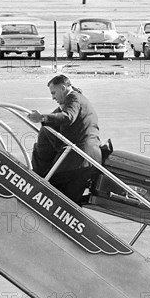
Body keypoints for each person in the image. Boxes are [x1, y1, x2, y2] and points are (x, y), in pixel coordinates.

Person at [28, 75, 101, 204]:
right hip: (84, 158)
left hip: (79, 157)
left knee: (51, 185)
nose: (53, 97)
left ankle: (38, 174)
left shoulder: (74, 98)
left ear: (63, 88)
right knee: (68, 200)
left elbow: (67, 117)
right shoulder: (74, 100)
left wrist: (43, 118)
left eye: (54, 93)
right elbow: (58, 118)